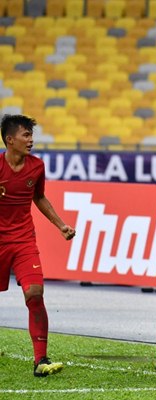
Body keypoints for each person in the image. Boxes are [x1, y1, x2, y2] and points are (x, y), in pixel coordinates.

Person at [0, 114, 76, 377]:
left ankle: (40, 359)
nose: (31, 140)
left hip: (23, 240)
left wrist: (61, 225)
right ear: (10, 140)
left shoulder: (37, 166)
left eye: (31, 135)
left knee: (34, 292)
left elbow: (39, 197)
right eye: (25, 135)